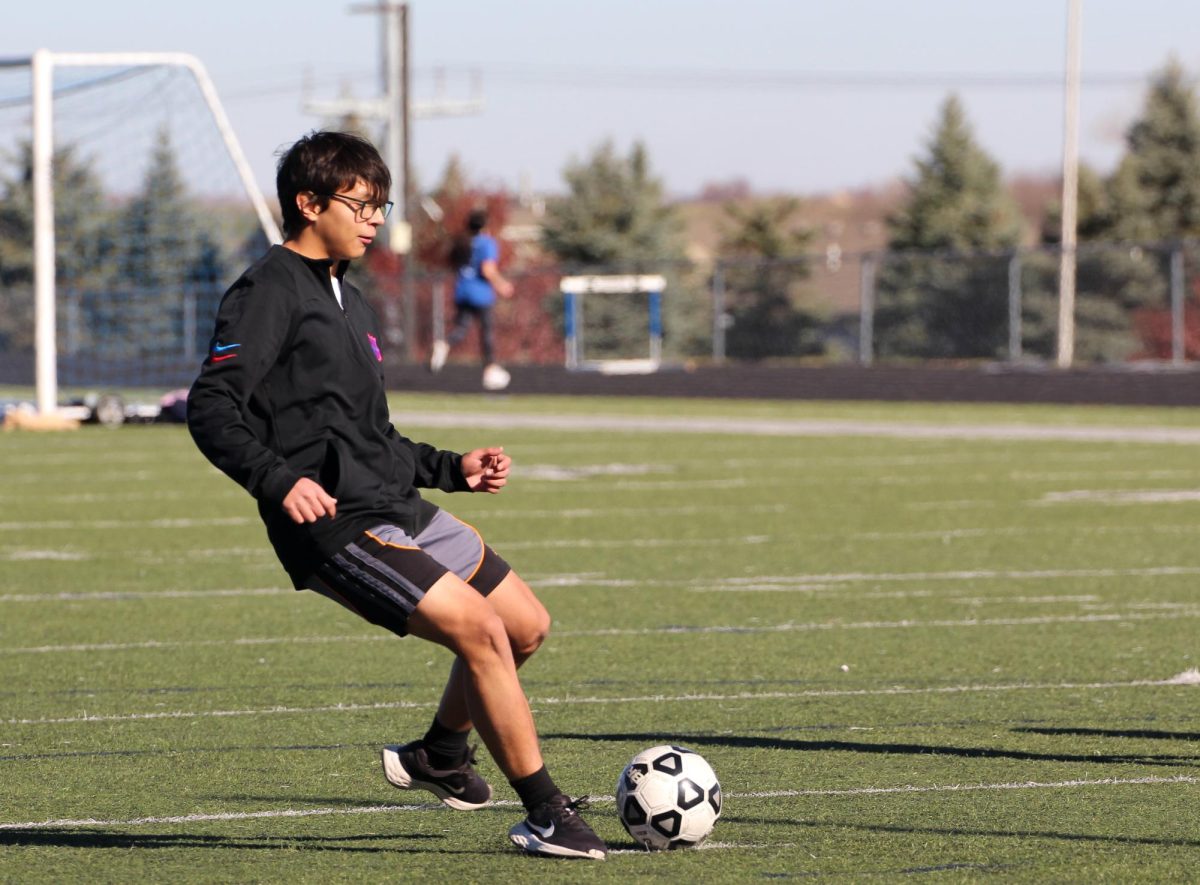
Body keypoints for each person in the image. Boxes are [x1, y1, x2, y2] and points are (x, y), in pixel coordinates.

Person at [186, 131, 606, 861]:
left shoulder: (352, 296)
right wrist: (278, 479)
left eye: (381, 203)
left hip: (395, 504)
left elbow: (371, 437)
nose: (376, 217)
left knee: (525, 624)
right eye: (361, 202)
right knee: (478, 629)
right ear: (308, 203)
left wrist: (453, 466)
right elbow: (210, 405)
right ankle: (544, 811)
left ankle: (441, 754)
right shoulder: (268, 289)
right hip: (337, 525)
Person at [430, 208, 514, 391]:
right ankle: (490, 371)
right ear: (485, 225)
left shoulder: (462, 242)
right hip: (481, 292)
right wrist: (502, 285)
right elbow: (487, 269)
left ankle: (444, 344)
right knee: (487, 331)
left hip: (462, 290)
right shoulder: (487, 243)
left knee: (462, 327)